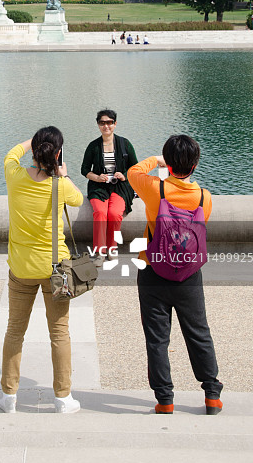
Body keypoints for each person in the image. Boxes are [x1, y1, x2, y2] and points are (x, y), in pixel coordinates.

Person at [127, 135, 223, 416]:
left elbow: (134, 171)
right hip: (189, 275)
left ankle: (165, 399)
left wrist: (158, 160)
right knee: (198, 332)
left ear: (169, 164)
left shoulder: (154, 189)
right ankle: (212, 395)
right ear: (195, 164)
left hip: (153, 271)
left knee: (157, 338)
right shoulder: (204, 197)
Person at [0, 127, 83, 414]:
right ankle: (62, 397)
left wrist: (31, 141)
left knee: (14, 331)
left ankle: (9, 395)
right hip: (55, 269)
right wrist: (64, 173)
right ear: (58, 153)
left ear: (34, 151)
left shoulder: (15, 176)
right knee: (59, 333)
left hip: (21, 267)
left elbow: (11, 154)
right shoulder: (61, 185)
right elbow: (79, 201)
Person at [81, 110, 137, 264]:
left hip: (120, 187)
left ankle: (111, 248)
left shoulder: (125, 144)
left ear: (115, 124)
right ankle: (99, 252)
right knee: (100, 213)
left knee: (114, 213)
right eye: (102, 123)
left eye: (109, 122)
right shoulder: (93, 146)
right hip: (98, 187)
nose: (106, 126)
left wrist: (124, 175)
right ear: (98, 124)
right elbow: (84, 170)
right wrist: (97, 177)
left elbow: (135, 167)